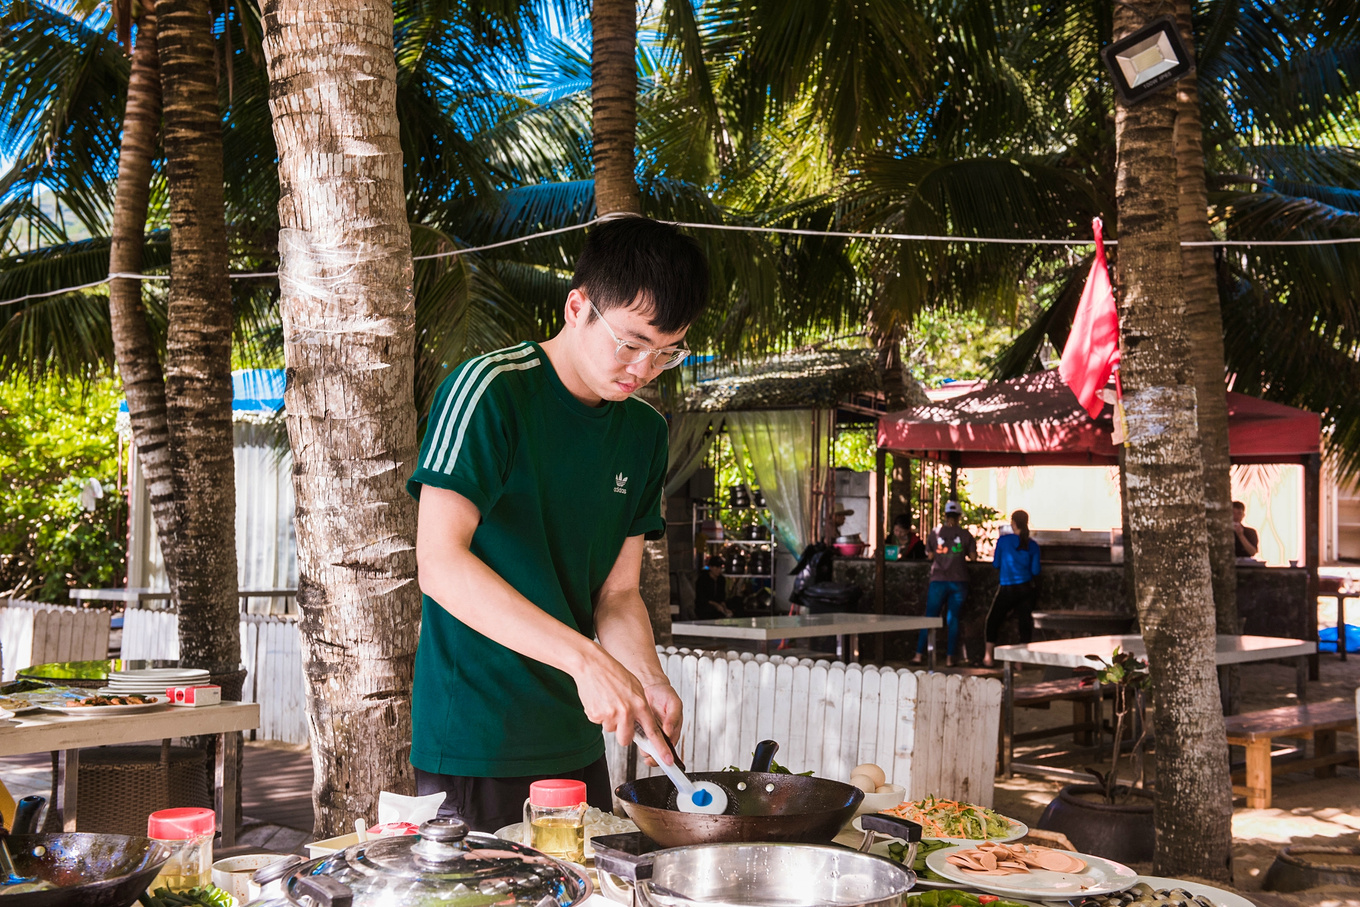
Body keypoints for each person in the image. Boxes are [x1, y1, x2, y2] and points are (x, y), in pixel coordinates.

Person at [407, 216, 709, 832]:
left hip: (576, 744)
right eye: (629, 343)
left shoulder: (644, 433)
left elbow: (618, 593)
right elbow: (439, 563)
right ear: (578, 307)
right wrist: (588, 663)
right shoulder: (489, 392)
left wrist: (645, 677)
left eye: (667, 351)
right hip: (475, 741)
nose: (644, 368)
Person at [912, 500, 977, 667]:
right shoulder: (965, 534)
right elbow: (973, 557)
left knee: (929, 617)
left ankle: (919, 655)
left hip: (938, 580)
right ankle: (950, 658)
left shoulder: (935, 533)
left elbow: (930, 556)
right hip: (959, 580)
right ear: (960, 516)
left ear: (945, 515)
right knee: (953, 619)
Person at [983, 510, 1041, 668]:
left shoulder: (1003, 541)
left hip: (1007, 587)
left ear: (1013, 523)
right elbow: (1036, 571)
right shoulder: (1033, 545)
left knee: (993, 620)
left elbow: (996, 564)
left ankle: (988, 656)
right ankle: (1020, 662)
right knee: (1024, 623)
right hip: (1026, 589)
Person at [694, 555, 735, 619]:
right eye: (716, 568)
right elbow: (702, 598)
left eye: (720, 568)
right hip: (705, 606)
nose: (719, 570)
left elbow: (721, 596)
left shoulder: (721, 579)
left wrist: (724, 607)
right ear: (711, 567)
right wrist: (716, 605)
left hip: (718, 605)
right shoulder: (702, 579)